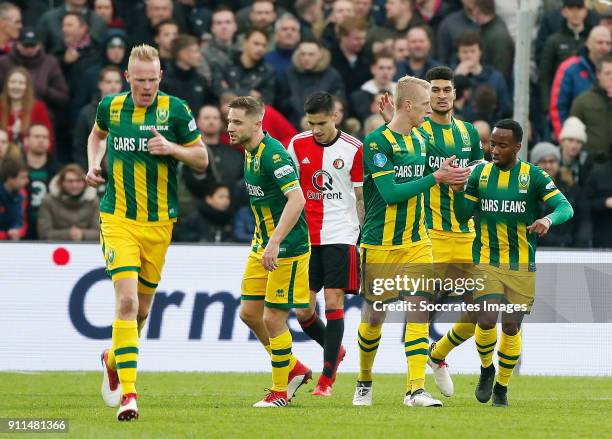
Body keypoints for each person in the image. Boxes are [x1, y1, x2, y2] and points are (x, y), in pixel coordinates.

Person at [86, 44, 208, 421]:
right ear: (127, 78)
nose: (146, 87)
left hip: (159, 224)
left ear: (161, 77)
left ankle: (113, 357)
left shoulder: (177, 110)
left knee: (141, 311)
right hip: (118, 218)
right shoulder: (111, 106)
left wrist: (172, 148)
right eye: (139, 81)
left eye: (152, 80)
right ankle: (130, 395)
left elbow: (202, 159)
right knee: (126, 304)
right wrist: (93, 165)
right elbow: (96, 136)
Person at [352, 75, 470, 408]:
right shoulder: (376, 144)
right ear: (407, 105)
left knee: (418, 312)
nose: (428, 110)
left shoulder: (419, 138)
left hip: (418, 241)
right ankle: (364, 381)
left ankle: (414, 390)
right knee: (374, 318)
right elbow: (389, 194)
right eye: (422, 105)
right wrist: (436, 177)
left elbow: (422, 138)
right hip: (380, 243)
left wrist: (447, 172)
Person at [451, 119, 573, 406]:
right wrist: (457, 192)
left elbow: (565, 207)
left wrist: (546, 219)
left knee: (510, 328)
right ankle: (486, 369)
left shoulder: (534, 176)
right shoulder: (479, 175)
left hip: (521, 264)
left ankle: (502, 386)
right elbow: (462, 215)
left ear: (518, 147)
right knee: (486, 319)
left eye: (502, 145)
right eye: (492, 144)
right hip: (486, 260)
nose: (494, 150)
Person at [230, 96, 311, 408]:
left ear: (257, 123)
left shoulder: (273, 156)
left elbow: (297, 200)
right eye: (230, 121)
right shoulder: (249, 153)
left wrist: (275, 241)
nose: (230, 128)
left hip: (286, 249)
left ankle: (280, 392)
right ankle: (294, 368)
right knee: (249, 314)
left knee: (274, 318)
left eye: (237, 122)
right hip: (261, 245)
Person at [288, 92, 364, 397]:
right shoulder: (296, 144)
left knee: (334, 301)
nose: (316, 129)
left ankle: (326, 379)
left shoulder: (353, 149)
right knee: (303, 312)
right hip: (307, 236)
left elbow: (359, 196)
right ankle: (336, 350)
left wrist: (361, 234)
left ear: (335, 116)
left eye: (321, 122)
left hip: (341, 234)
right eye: (311, 123)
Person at [549, 25, 611, 139]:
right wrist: (563, 138)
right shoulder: (570, 68)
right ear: (588, 43)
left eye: (608, 43)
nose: (604, 47)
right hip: (577, 140)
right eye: (600, 42)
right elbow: (558, 107)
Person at [530, 142, 591, 248]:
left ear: (558, 164)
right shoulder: (526, 189)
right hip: (536, 247)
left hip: (567, 248)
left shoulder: (571, 186)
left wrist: (580, 244)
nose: (548, 165)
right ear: (534, 164)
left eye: (552, 161)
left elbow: (584, 218)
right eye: (543, 161)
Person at [73, 66, 124, 170]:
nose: (113, 86)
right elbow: (80, 147)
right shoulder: (87, 112)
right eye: (109, 82)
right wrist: (86, 173)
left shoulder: (131, 111)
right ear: (100, 84)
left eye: (117, 82)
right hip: (94, 172)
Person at [37, 163, 99, 241]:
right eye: (70, 181)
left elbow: (100, 232)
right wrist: (68, 234)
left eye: (78, 181)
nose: (74, 185)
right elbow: (44, 233)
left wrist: (82, 234)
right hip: (56, 247)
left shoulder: (93, 201)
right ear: (62, 182)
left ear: (85, 182)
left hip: (87, 248)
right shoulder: (49, 201)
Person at [570, 55, 612, 164]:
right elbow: (573, 133)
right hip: (592, 163)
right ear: (598, 74)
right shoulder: (583, 101)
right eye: (608, 73)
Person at [0, 66, 53, 150]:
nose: (16, 86)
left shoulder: (38, 107)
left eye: (21, 83)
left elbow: (49, 140)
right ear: (6, 85)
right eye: (13, 82)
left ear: (27, 87)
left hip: (30, 157)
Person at [24, 123, 60, 240]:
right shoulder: (17, 166)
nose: (41, 140)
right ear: (26, 140)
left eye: (45, 137)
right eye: (37, 136)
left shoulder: (58, 170)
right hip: (22, 226)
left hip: (50, 227)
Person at [0, 156, 27, 239]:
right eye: (22, 177)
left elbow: (19, 222)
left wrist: (16, 230)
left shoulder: (19, 196)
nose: (27, 180)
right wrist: (7, 235)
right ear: (10, 179)